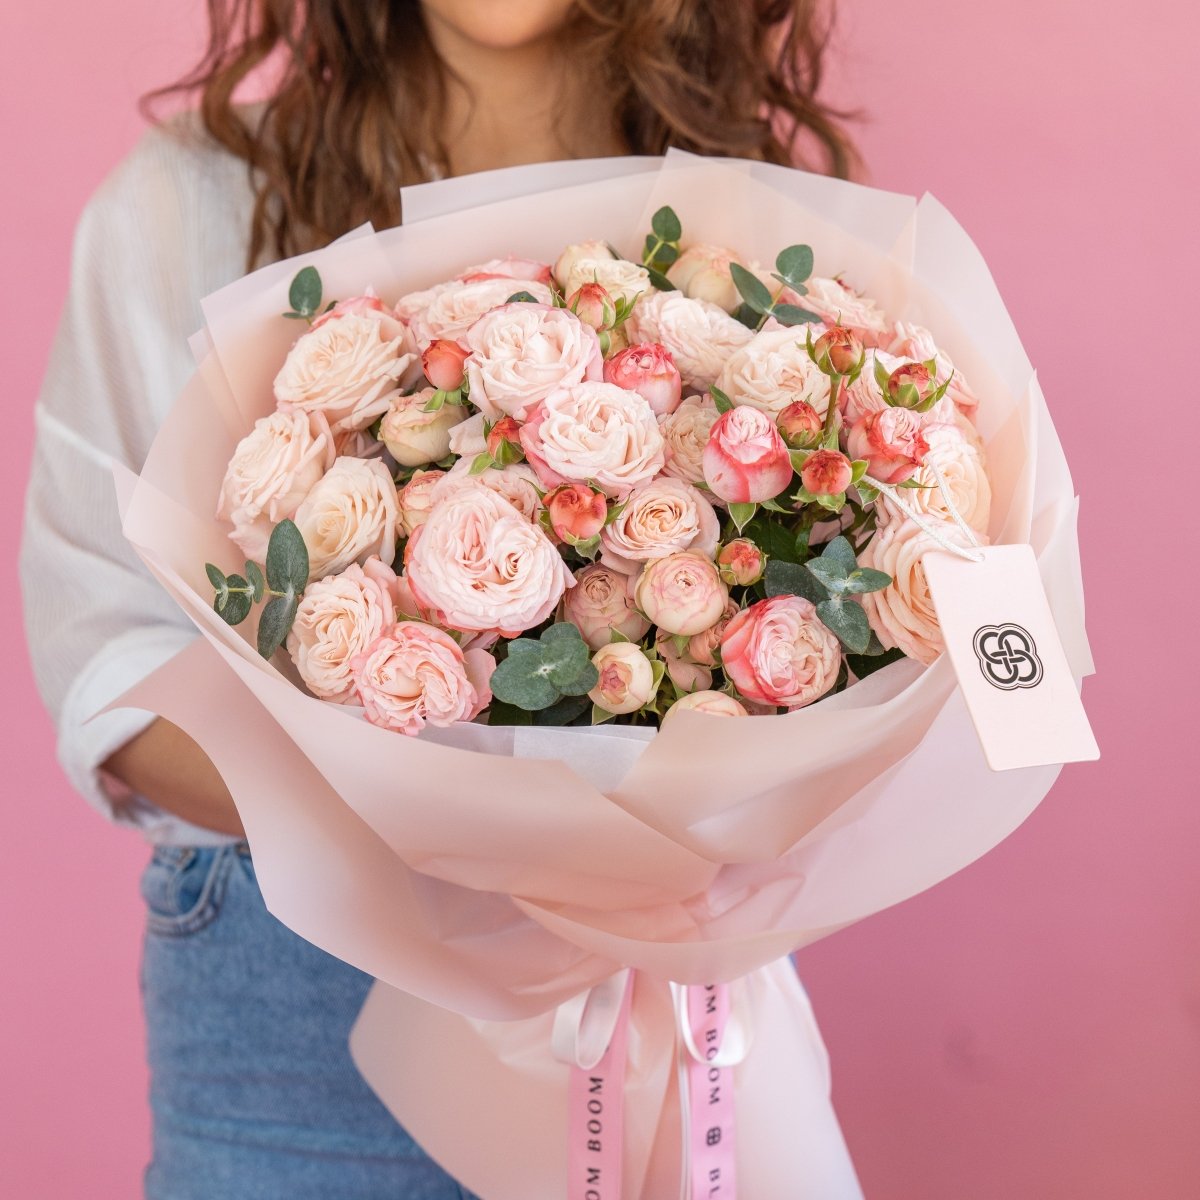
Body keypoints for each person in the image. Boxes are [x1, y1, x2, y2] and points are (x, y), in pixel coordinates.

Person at [21, 1, 853, 1196]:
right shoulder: (183, 205)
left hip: (661, 995)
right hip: (297, 1016)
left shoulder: (760, 230)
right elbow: (109, 663)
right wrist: (442, 826)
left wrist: (661, 838)